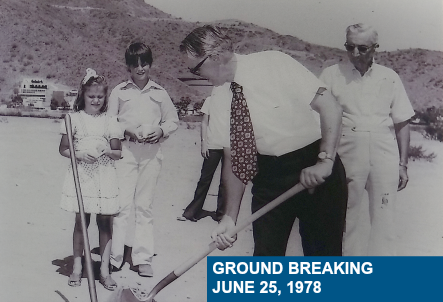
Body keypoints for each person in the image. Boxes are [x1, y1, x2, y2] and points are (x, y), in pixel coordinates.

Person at [180, 25, 348, 256]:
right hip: (269, 177)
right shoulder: (219, 98)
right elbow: (235, 157)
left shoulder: (274, 63)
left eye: (197, 70)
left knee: (323, 261)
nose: (197, 77)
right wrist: (230, 217)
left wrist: (325, 160)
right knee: (266, 261)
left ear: (215, 57)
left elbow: (330, 107)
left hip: (313, 165)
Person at [319, 24, 415, 256]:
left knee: (384, 214)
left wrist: (402, 164)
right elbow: (318, 118)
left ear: (375, 48)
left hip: (384, 151)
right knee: (349, 216)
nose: (355, 53)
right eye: (349, 47)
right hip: (346, 149)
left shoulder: (389, 77)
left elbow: (402, 122)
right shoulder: (331, 75)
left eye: (362, 48)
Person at [108, 42, 179, 277]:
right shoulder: (119, 91)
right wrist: (128, 131)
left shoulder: (160, 92)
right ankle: (115, 257)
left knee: (144, 207)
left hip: (151, 154)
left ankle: (142, 258)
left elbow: (172, 121)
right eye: (135, 64)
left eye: (144, 63)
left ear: (150, 64)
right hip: (126, 152)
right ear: (128, 66)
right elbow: (110, 121)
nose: (140, 68)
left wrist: (161, 131)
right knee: (121, 207)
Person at [59, 69, 123, 290]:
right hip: (82, 177)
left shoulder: (110, 121)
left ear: (105, 98)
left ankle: (104, 271)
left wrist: (106, 150)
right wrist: (79, 155)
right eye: (91, 96)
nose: (95, 100)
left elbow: (118, 152)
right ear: (82, 96)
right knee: (81, 222)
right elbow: (63, 149)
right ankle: (77, 268)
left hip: (104, 176)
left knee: (105, 223)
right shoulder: (73, 119)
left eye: (100, 96)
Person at [178, 84, 231, 222]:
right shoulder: (210, 100)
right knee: (204, 179)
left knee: (225, 182)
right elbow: (204, 123)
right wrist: (203, 143)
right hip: (212, 145)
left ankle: (222, 215)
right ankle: (192, 212)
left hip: (230, 146)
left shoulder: (235, 101)